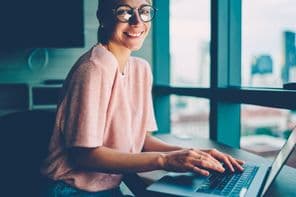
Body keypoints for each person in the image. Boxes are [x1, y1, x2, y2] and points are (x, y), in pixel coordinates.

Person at [41, 0, 245, 196]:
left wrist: (195, 154)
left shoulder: (141, 70)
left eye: (144, 11)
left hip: (108, 188)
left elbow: (142, 140)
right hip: (70, 190)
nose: (137, 21)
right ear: (103, 17)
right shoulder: (92, 69)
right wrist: (164, 160)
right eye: (124, 11)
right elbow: (85, 155)